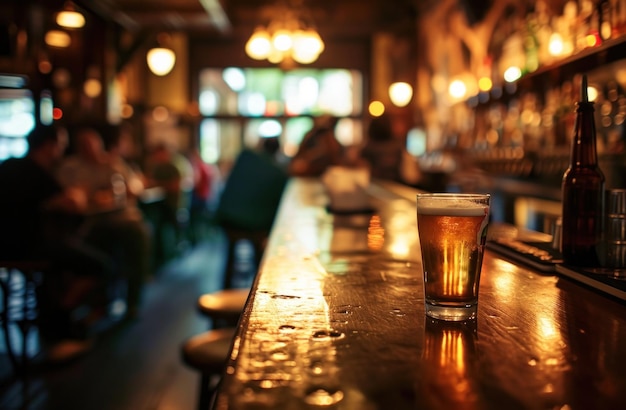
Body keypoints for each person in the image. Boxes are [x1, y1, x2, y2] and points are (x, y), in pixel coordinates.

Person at [0, 125, 114, 360]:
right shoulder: (37, 172)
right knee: (100, 265)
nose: (62, 151)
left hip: (4, 247)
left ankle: (54, 320)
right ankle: (60, 315)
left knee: (60, 262)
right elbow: (74, 204)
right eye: (60, 146)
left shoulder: (8, 166)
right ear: (50, 146)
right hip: (28, 248)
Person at [56, 124, 151, 319]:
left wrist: (125, 187)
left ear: (100, 144)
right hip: (90, 222)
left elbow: (136, 187)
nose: (90, 149)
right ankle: (98, 303)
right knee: (95, 252)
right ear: (78, 147)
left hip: (124, 218)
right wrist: (92, 197)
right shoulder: (70, 167)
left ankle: (132, 301)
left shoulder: (114, 163)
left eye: (93, 144)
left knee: (138, 234)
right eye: (84, 145)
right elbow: (67, 196)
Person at [360, 113, 404, 182]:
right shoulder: (397, 146)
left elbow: (362, 165)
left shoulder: (369, 147)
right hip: (395, 183)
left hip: (375, 183)